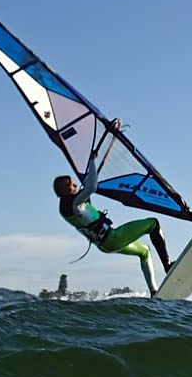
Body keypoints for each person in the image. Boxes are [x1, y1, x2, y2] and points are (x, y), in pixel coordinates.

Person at [54, 122, 173, 296]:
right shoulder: (74, 205)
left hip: (106, 245)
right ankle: (168, 265)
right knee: (153, 224)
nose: (74, 185)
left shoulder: (73, 206)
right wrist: (93, 161)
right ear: (64, 190)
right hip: (112, 238)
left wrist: (110, 136)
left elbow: (90, 180)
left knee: (144, 251)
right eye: (71, 184)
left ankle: (154, 292)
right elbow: (92, 186)